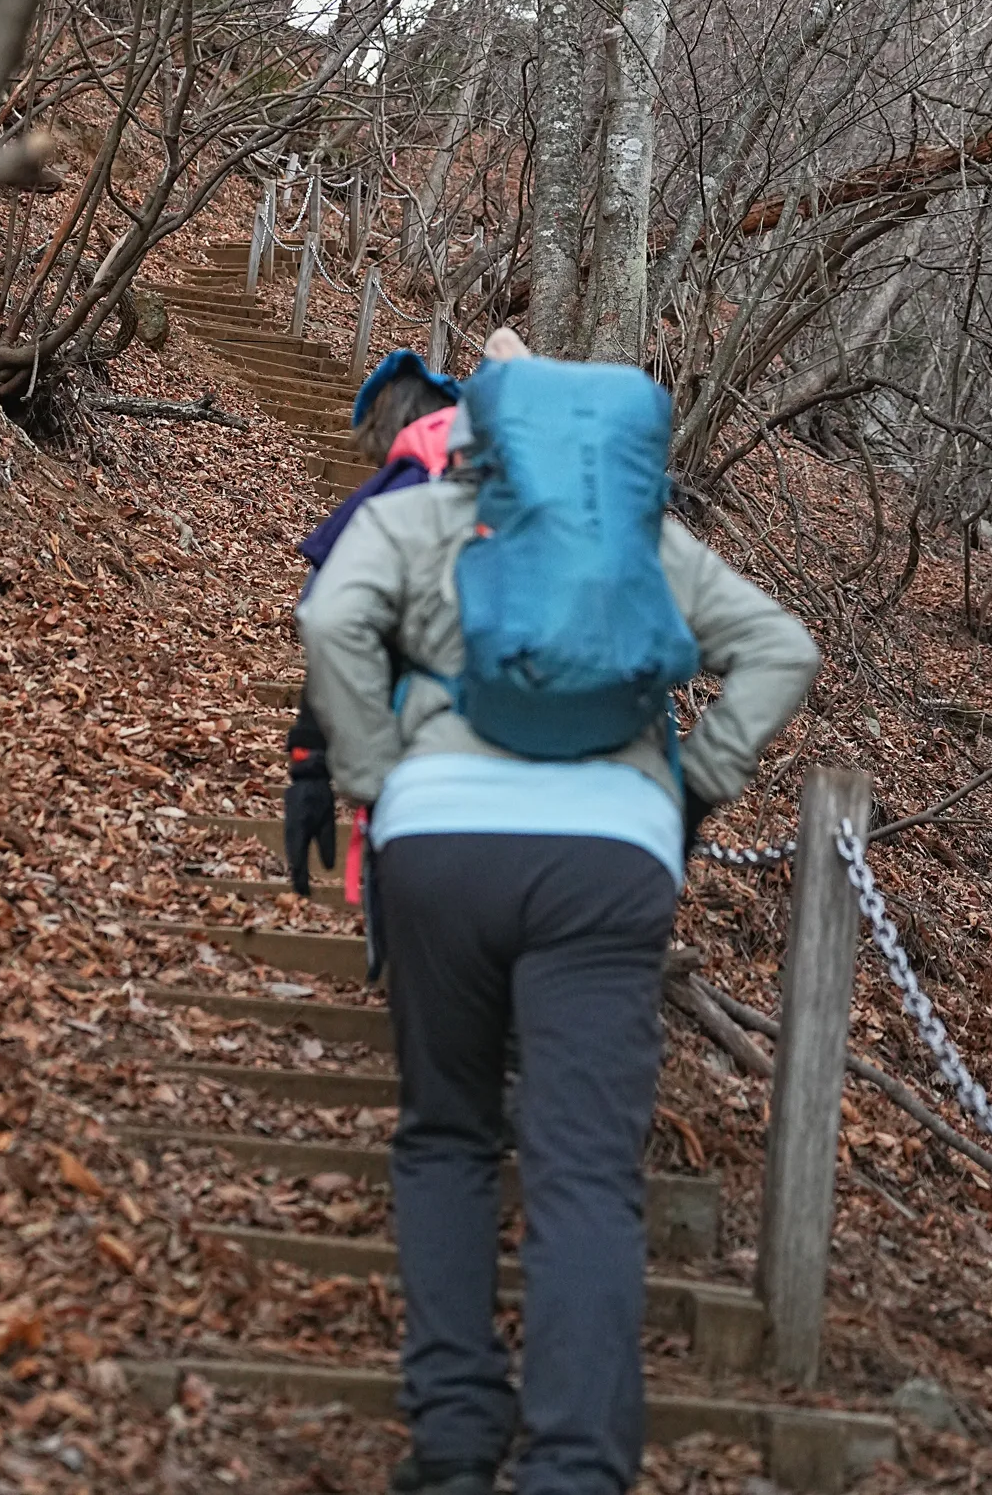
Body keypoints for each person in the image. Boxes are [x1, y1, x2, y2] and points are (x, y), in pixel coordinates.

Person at [297, 358, 820, 1495]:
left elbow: (330, 614)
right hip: (608, 862)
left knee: (446, 1135)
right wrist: (692, 791)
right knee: (585, 1173)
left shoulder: (425, 518)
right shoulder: (644, 545)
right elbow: (783, 649)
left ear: (474, 435)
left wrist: (376, 774)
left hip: (440, 847)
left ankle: (453, 1442)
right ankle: (577, 1466)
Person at [283, 347, 460, 897]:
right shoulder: (523, 487)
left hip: (422, 750)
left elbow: (330, 620)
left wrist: (311, 764)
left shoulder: (392, 497)